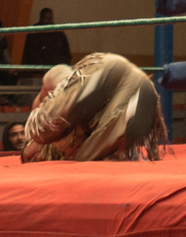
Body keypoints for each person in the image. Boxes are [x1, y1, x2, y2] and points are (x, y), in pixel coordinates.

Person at [20, 56, 163, 163]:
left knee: (43, 127)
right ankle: (127, 124)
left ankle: (81, 86)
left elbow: (55, 73)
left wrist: (66, 86)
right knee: (88, 157)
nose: (35, 159)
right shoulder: (76, 150)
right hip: (123, 96)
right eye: (32, 160)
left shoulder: (41, 123)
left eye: (29, 156)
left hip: (97, 75)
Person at [20, 7, 72, 72]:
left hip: (57, 69)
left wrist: (63, 67)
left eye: (50, 18)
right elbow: (31, 54)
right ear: (41, 18)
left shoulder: (58, 33)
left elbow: (66, 52)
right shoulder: (34, 32)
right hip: (39, 70)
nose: (48, 21)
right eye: (46, 18)